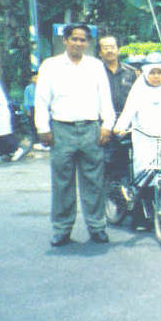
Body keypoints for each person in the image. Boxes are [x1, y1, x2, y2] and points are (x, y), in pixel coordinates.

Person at [34, 23, 116, 247]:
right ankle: (62, 229)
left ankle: (97, 227)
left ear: (87, 43)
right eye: (75, 39)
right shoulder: (50, 66)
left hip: (91, 129)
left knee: (94, 182)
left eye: (83, 40)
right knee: (62, 182)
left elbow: (105, 97)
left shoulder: (95, 66)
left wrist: (107, 125)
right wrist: (43, 127)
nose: (79, 43)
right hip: (62, 129)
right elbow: (41, 99)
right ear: (65, 40)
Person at [113, 53, 161, 204]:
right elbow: (128, 112)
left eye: (159, 73)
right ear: (146, 73)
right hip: (144, 139)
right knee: (145, 175)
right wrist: (120, 127)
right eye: (152, 73)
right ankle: (141, 213)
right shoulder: (138, 90)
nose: (156, 77)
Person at [97, 35, 138, 118]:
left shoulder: (131, 71)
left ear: (118, 50)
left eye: (112, 47)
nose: (109, 51)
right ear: (100, 53)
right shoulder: (95, 72)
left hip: (127, 121)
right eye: (105, 48)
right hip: (102, 121)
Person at [23, 71, 47, 150]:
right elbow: (26, 100)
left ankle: (45, 142)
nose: (36, 79)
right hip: (33, 108)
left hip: (42, 107)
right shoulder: (28, 88)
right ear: (31, 79)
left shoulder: (43, 87)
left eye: (37, 77)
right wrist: (27, 110)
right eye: (34, 78)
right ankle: (36, 142)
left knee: (44, 124)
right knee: (34, 125)